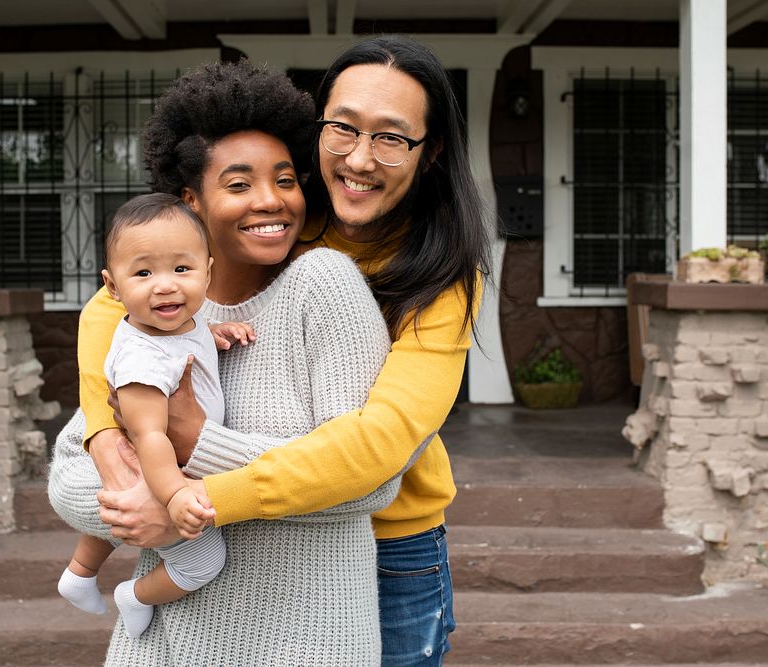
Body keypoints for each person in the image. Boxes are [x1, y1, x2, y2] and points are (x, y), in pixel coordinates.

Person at [97, 36, 491, 666]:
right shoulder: (280, 216)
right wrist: (105, 444)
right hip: (248, 539)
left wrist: (192, 499)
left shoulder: (440, 274)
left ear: (431, 150)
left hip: (389, 549)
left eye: (391, 137)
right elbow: (115, 310)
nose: (360, 158)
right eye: (344, 129)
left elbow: (378, 446)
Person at [48, 60, 400, 665]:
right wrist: (159, 506)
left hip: (307, 641)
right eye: (238, 184)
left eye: (286, 179)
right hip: (160, 645)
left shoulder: (324, 287)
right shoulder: (156, 313)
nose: (271, 200)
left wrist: (195, 455)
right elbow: (69, 472)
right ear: (192, 200)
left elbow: (371, 478)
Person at [56, 193, 255, 637]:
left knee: (117, 513)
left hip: (167, 460)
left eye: (181, 269)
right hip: (160, 467)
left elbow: (189, 338)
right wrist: (174, 497)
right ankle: (135, 594)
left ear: (208, 271)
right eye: (143, 273)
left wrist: (215, 332)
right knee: (203, 563)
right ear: (112, 286)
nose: (165, 285)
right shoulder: (140, 362)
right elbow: (149, 437)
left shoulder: (179, 322)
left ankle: (79, 572)